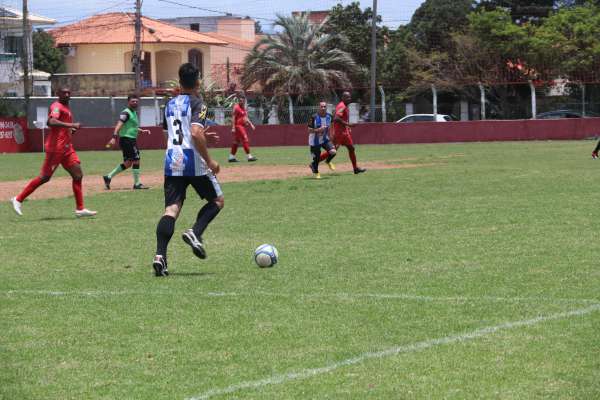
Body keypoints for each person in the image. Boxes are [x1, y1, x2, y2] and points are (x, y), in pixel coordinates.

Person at [152, 63, 223, 277]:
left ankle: (160, 257)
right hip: (193, 161)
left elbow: (169, 135)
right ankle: (195, 232)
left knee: (171, 210)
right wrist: (210, 160)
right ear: (198, 81)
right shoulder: (198, 103)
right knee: (217, 201)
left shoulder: (170, 104)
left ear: (180, 81)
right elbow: (194, 132)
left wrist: (200, 137)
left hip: (172, 160)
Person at [10, 87, 97, 217]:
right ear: (58, 94)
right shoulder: (56, 106)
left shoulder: (66, 108)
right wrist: (71, 125)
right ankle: (18, 199)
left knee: (78, 175)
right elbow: (51, 121)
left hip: (67, 148)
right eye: (64, 93)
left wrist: (70, 131)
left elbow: (61, 127)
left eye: (69, 92)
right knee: (44, 177)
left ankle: (80, 209)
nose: (67, 94)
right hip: (56, 149)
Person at [103, 94, 151, 190]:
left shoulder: (133, 112)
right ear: (128, 102)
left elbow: (131, 126)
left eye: (136, 101)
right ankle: (137, 184)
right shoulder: (126, 113)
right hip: (127, 139)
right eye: (133, 101)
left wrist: (141, 130)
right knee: (136, 159)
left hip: (129, 139)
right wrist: (114, 137)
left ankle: (108, 176)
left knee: (128, 163)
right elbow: (119, 125)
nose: (135, 103)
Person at [321, 91, 366, 174]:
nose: (349, 99)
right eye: (347, 97)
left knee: (351, 148)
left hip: (344, 133)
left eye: (349, 97)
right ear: (343, 98)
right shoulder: (342, 106)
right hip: (339, 133)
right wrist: (348, 124)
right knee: (332, 150)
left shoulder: (344, 106)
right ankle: (315, 162)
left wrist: (347, 127)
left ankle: (355, 168)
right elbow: (336, 118)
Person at [308, 101, 336, 179]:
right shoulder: (314, 117)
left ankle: (328, 161)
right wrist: (318, 130)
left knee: (333, 151)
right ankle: (316, 172)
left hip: (324, 139)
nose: (323, 108)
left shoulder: (329, 116)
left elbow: (332, 126)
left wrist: (332, 134)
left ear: (326, 108)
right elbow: (309, 130)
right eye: (321, 106)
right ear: (319, 108)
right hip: (314, 141)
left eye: (324, 107)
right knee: (316, 159)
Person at [228, 93, 257, 162]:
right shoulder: (236, 107)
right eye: (240, 100)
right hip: (238, 126)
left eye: (243, 100)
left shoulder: (243, 108)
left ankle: (231, 157)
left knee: (236, 142)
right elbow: (233, 117)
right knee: (245, 139)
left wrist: (251, 124)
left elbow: (246, 117)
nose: (242, 101)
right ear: (239, 100)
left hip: (242, 126)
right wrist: (233, 127)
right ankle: (249, 156)